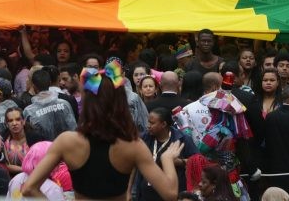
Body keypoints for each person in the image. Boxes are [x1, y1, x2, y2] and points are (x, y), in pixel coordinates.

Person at [21, 61, 184, 200]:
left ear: (87, 102)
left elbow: (29, 188)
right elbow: (170, 194)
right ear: (120, 102)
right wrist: (167, 158)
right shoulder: (133, 145)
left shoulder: (66, 141)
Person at [134, 107, 198, 201]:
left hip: (172, 195)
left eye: (152, 123)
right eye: (148, 122)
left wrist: (180, 162)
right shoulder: (144, 138)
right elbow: (134, 165)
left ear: (163, 124)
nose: (148, 126)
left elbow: (198, 162)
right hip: (145, 195)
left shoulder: (182, 139)